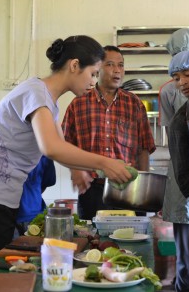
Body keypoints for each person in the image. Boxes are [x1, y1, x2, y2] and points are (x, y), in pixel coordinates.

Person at [0, 35, 133, 252]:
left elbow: (60, 141)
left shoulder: (47, 99)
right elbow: (51, 147)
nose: (93, 81)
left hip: (7, 195)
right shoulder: (36, 93)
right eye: (93, 73)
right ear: (74, 65)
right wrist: (106, 163)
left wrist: (77, 168)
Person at [62, 45, 156, 220]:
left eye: (120, 65)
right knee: (94, 242)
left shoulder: (134, 103)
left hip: (130, 187)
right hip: (93, 189)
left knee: (133, 240)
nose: (117, 70)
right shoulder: (79, 103)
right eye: (110, 64)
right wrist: (75, 170)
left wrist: (144, 188)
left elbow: (144, 147)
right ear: (97, 68)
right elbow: (65, 144)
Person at [167, 50, 189, 292]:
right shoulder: (180, 120)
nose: (182, 82)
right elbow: (183, 174)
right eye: (176, 78)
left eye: (187, 74)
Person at [14, 155, 56, 238]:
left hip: (35, 218)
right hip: (6, 217)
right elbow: (44, 185)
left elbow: (45, 183)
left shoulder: (44, 153)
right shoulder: (43, 152)